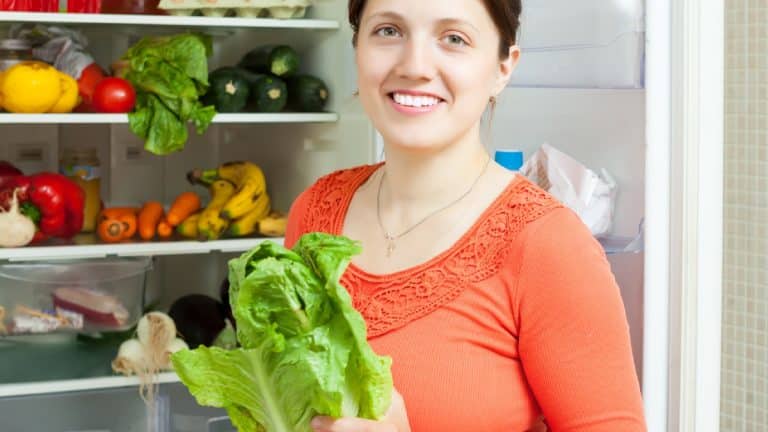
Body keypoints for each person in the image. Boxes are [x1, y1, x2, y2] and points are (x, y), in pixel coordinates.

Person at [285, 0, 648, 430]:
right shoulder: (314, 213)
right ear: (357, 47)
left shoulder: (547, 244)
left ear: (503, 68)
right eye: (388, 31)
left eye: (453, 38)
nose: (414, 65)